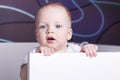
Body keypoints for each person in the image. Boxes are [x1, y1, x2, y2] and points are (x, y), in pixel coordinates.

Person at [20, 2, 98, 80]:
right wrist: (37, 58)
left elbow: (88, 66)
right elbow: (23, 77)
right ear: (37, 36)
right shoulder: (35, 52)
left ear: (68, 34)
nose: (50, 30)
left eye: (57, 26)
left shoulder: (75, 50)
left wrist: (87, 48)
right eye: (43, 26)